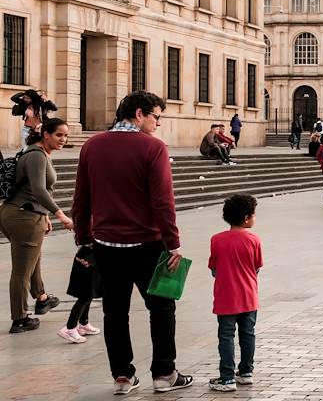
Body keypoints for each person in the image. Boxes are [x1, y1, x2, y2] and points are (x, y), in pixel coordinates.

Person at [73, 91, 193, 394]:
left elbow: (81, 199)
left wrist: (83, 239)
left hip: (106, 244)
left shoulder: (92, 146)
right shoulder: (153, 148)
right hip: (148, 244)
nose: (157, 124)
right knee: (162, 308)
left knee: (114, 312)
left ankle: (123, 376)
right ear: (139, 114)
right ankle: (165, 373)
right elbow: (163, 201)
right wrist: (173, 242)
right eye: (156, 117)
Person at [3, 117, 73, 334]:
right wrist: (60, 214)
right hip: (23, 216)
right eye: (59, 135)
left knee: (33, 259)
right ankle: (20, 318)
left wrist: (44, 217)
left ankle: (41, 298)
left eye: (66, 135)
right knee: (22, 270)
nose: (63, 139)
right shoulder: (36, 155)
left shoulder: (37, 152)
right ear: (46, 135)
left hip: (24, 213)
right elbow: (39, 189)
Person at [207, 194, 263, 392]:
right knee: (248, 333)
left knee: (226, 336)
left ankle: (227, 377)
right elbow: (257, 267)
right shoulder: (254, 240)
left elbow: (214, 269)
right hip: (248, 296)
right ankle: (246, 372)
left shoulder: (217, 240)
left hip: (225, 297)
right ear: (247, 218)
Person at [60, 245, 101, 343]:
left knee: (90, 291)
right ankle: (70, 327)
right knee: (86, 295)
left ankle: (83, 323)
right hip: (87, 252)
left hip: (91, 251)